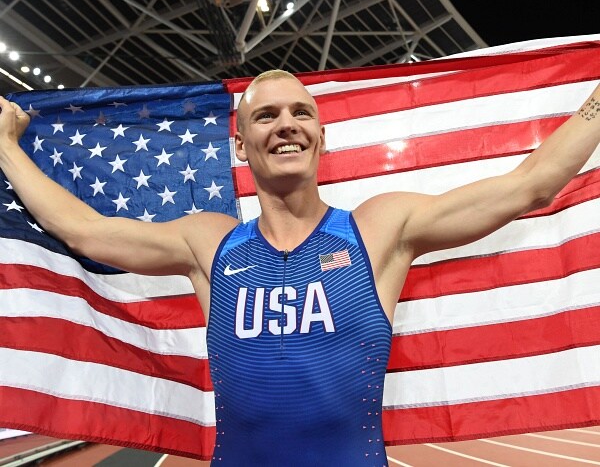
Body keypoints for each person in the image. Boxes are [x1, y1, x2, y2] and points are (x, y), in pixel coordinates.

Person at [0, 69, 599, 466]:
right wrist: (5, 147)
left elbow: (532, 184)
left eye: (301, 113)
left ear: (320, 136)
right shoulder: (209, 244)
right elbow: (84, 231)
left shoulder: (377, 230)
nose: (286, 124)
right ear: (241, 145)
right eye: (266, 116)